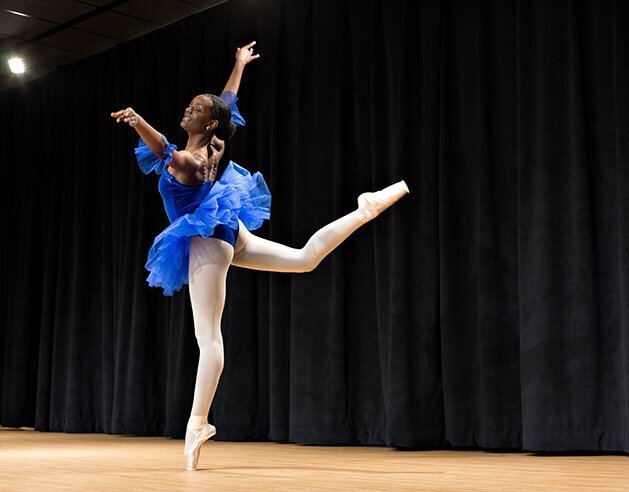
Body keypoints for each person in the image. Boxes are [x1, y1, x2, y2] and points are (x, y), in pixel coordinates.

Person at [111, 42, 409, 471]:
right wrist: (237, 65)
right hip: (230, 230)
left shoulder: (195, 159)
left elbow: (164, 151)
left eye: (195, 108)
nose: (187, 110)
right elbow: (227, 101)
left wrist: (138, 121)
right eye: (190, 106)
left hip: (210, 239)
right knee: (305, 258)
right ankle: (365, 209)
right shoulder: (214, 140)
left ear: (209, 122)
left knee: (208, 338)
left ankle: (197, 421)